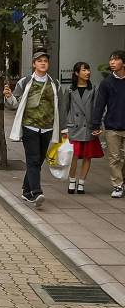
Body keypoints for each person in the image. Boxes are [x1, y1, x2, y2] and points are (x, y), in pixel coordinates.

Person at [4, 49, 63, 207]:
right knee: (33, 159)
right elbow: (14, 104)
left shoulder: (54, 83)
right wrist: (9, 97)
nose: (43, 63)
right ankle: (37, 192)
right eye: (39, 61)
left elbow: (60, 107)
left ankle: (26, 190)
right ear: (34, 64)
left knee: (39, 160)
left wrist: (64, 128)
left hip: (48, 127)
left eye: (45, 61)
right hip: (30, 126)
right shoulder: (25, 82)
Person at [63, 61, 102, 194]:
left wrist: (98, 125)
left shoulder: (94, 88)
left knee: (87, 156)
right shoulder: (69, 89)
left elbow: (98, 108)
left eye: (88, 70)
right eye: (84, 70)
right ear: (76, 73)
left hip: (89, 127)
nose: (88, 72)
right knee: (73, 156)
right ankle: (72, 180)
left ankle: (82, 183)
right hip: (74, 126)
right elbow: (64, 109)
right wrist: (64, 128)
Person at [92, 50, 125, 198]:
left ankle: (122, 181)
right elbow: (99, 105)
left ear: (123, 63)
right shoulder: (107, 83)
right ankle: (117, 185)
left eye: (116, 59)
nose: (112, 62)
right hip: (112, 126)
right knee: (114, 158)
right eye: (111, 60)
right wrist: (96, 124)